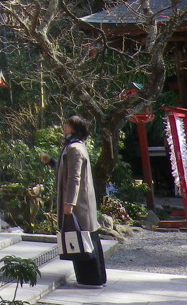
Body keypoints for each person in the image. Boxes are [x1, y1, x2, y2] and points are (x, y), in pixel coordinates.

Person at [41, 114, 107, 288]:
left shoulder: (74, 149)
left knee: (83, 239)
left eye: (67, 124)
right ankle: (95, 278)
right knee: (86, 237)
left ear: (74, 129)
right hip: (82, 201)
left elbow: (74, 178)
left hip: (79, 202)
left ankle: (91, 279)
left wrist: (69, 203)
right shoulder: (74, 147)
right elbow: (67, 171)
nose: (64, 126)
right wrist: (51, 162)